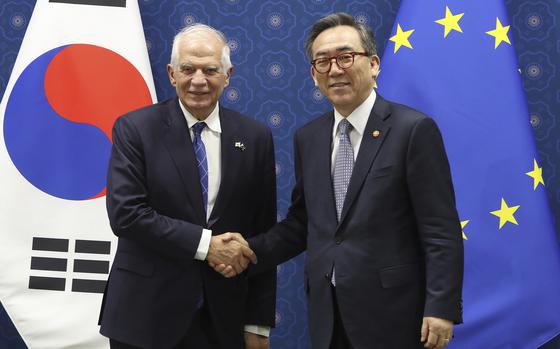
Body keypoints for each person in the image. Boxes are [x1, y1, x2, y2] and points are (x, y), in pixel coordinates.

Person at [214, 12, 464, 349]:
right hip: (328, 315)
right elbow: (304, 222)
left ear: (373, 64)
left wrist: (441, 307)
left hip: (397, 316)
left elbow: (440, 229)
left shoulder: (413, 130)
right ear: (313, 74)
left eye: (346, 57)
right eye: (323, 61)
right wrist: (250, 251)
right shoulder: (309, 138)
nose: (335, 69)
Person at [98, 24, 277, 349]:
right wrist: (207, 245)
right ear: (171, 73)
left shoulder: (255, 137)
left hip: (222, 320)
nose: (198, 80)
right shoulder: (135, 128)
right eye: (188, 69)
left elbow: (262, 236)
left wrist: (258, 324)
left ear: (227, 74)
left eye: (210, 70)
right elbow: (126, 215)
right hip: (144, 316)